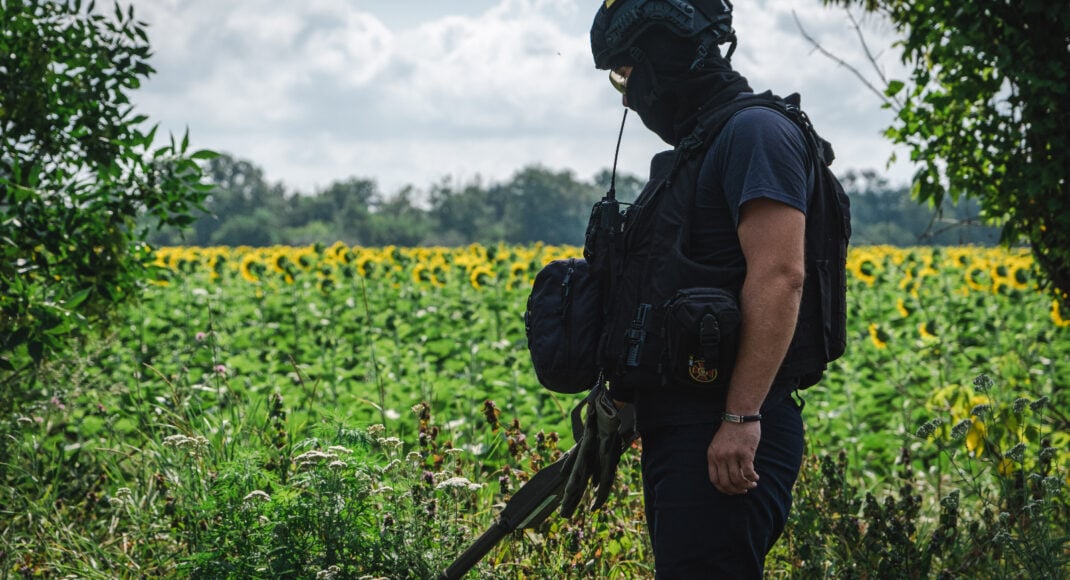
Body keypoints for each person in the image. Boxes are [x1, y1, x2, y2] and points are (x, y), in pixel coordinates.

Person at [581, 0, 850, 577]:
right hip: (686, 424)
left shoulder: (756, 134)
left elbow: (782, 275)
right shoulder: (702, 147)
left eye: (628, 73)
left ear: (666, 54)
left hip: (725, 429)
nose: (627, 95)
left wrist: (740, 417)